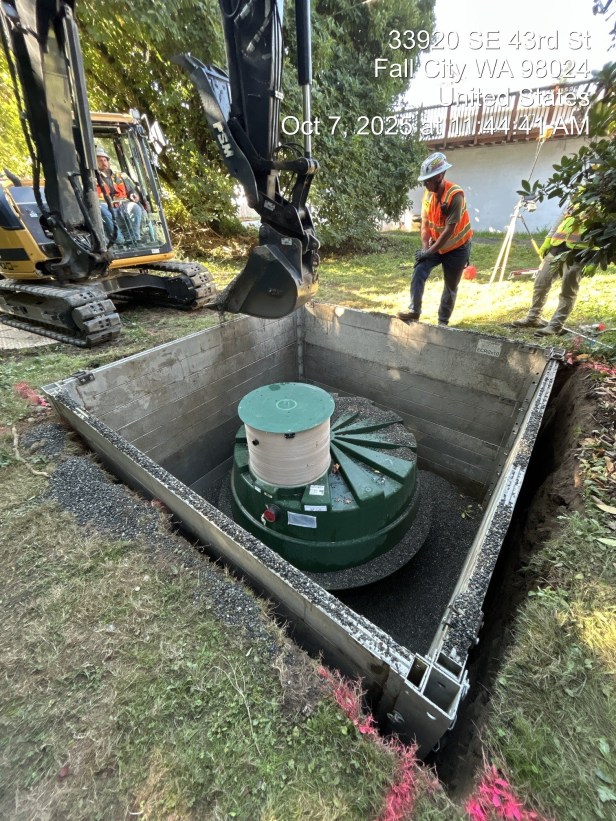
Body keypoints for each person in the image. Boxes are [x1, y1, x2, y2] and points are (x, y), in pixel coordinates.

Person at [397, 152, 473, 326]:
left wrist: (430, 250)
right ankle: (414, 310)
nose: (425, 183)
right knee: (419, 269)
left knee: (450, 286)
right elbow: (425, 223)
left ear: (439, 176)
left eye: (428, 179)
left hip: (458, 248)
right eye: (424, 180)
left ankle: (442, 323)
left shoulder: (455, 195)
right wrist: (425, 249)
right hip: (437, 245)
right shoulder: (428, 194)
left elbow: (449, 230)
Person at [511, 208, 590, 336]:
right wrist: (548, 239)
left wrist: (594, 258)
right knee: (541, 283)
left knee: (567, 291)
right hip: (557, 247)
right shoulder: (575, 197)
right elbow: (560, 219)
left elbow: (602, 233)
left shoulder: (599, 197)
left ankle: (556, 326)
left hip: (579, 252)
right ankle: (533, 318)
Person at [95, 146, 143, 243]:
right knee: (100, 209)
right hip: (106, 207)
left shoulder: (120, 175)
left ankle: (133, 239)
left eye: (105, 160)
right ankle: (119, 240)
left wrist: (133, 194)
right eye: (100, 160)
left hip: (122, 206)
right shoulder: (91, 178)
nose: (103, 162)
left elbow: (131, 190)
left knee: (135, 207)